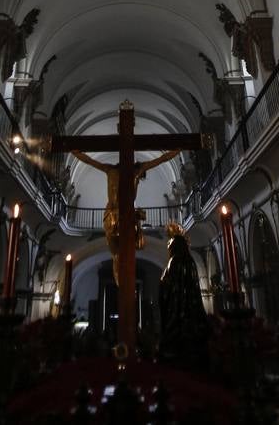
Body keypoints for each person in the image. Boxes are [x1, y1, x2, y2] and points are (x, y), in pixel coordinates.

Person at [72, 148, 180, 285]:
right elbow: (161, 160)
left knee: (120, 252)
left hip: (120, 215)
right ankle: (123, 281)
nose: (138, 181)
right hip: (116, 215)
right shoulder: (135, 171)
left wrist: (74, 152)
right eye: (140, 180)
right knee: (119, 252)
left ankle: (123, 281)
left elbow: (89, 160)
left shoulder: (112, 170)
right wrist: (177, 150)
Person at [158, 229, 209, 369]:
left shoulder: (174, 261)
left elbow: (169, 284)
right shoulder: (190, 260)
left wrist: (163, 284)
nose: (168, 247)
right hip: (190, 306)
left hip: (176, 306)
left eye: (170, 245)